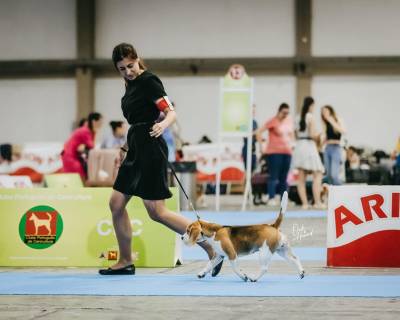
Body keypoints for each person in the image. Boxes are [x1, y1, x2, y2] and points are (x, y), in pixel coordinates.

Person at [99, 43, 223, 276]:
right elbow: (136, 121)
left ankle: (211, 248)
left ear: (138, 59)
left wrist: (162, 125)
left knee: (157, 211)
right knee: (116, 204)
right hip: (135, 148)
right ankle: (125, 261)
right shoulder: (130, 85)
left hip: (151, 149)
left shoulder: (149, 81)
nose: (128, 71)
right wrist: (125, 147)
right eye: (122, 68)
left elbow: (171, 112)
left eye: (131, 65)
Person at [256, 103, 294, 206]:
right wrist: (261, 146)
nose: (285, 115)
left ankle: (284, 199)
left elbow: (292, 135)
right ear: (279, 111)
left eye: (287, 113)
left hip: (287, 152)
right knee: (273, 176)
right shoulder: (273, 121)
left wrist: (293, 145)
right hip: (274, 153)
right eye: (284, 113)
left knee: (284, 177)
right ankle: (271, 197)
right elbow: (259, 132)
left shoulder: (289, 121)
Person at [292, 97, 325, 209]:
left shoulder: (297, 117)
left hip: (300, 146)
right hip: (309, 146)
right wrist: (320, 135)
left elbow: (295, 135)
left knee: (301, 178)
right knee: (318, 173)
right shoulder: (310, 117)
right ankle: (317, 202)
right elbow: (312, 134)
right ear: (311, 105)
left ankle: (305, 204)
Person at [61, 112, 103, 180]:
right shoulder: (85, 131)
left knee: (82, 178)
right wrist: (96, 132)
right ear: (94, 122)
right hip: (70, 157)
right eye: (100, 122)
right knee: (81, 178)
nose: (101, 124)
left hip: (71, 156)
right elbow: (92, 147)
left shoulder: (86, 130)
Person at [321, 105, 345, 185]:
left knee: (334, 175)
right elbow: (324, 137)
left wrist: (331, 120)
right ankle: (333, 195)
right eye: (322, 112)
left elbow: (343, 131)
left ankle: (342, 192)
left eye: (325, 111)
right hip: (327, 149)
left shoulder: (337, 120)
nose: (324, 113)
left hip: (336, 148)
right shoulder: (325, 123)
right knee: (328, 176)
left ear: (330, 111)